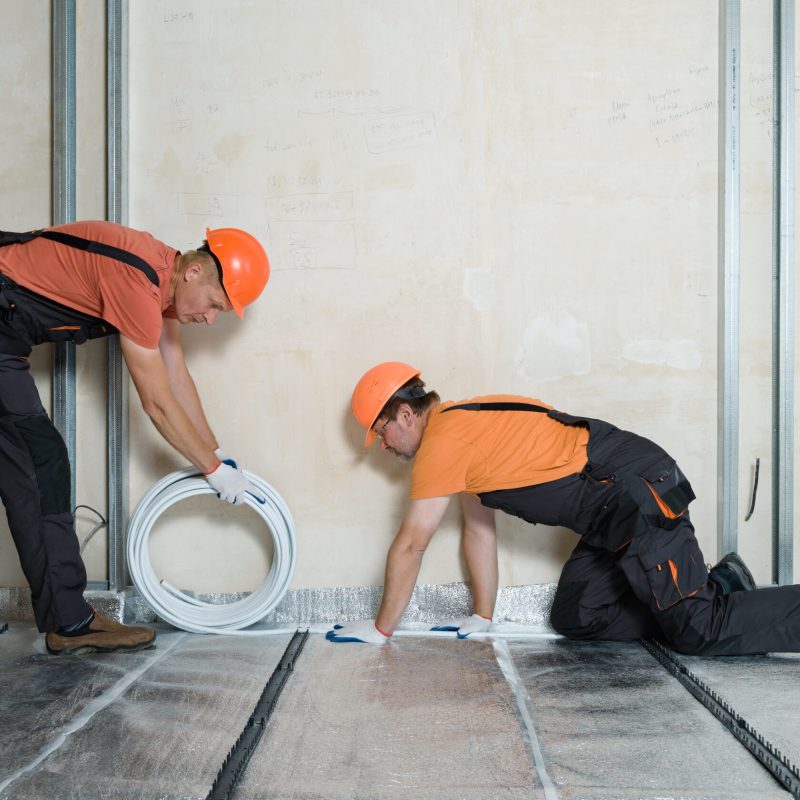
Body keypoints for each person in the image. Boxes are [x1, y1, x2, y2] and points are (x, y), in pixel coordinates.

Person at [327, 361, 800, 655]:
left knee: (699, 631)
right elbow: (478, 529)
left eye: (381, 431)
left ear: (406, 415)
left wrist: (380, 629)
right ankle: (713, 586)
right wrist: (482, 615)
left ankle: (703, 602)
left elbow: (412, 545)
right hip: (611, 513)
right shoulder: (464, 428)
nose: (382, 446)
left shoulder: (443, 445)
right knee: (578, 615)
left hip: (636, 493)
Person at [0, 221, 270, 655]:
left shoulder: (162, 278)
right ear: (196, 272)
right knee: (40, 462)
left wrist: (216, 452)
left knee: (35, 464)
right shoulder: (137, 281)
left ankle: (70, 619)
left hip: (7, 341)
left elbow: (176, 375)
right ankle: (70, 622)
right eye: (215, 303)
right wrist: (213, 472)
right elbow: (158, 403)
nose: (210, 317)